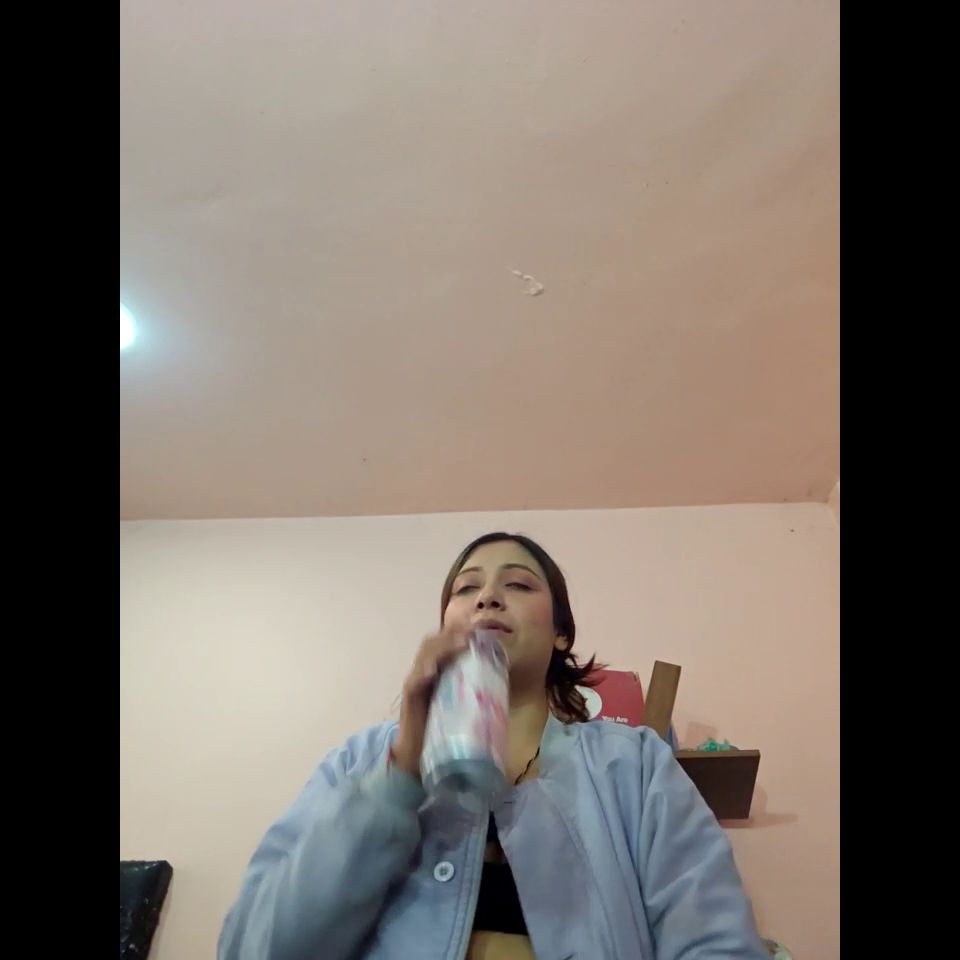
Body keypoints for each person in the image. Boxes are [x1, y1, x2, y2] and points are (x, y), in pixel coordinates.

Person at [218, 532, 768, 960]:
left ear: (561, 633)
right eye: (465, 589)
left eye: (520, 585)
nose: (487, 597)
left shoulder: (635, 766)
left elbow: (716, 942)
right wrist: (400, 776)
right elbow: (254, 948)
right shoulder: (359, 762)